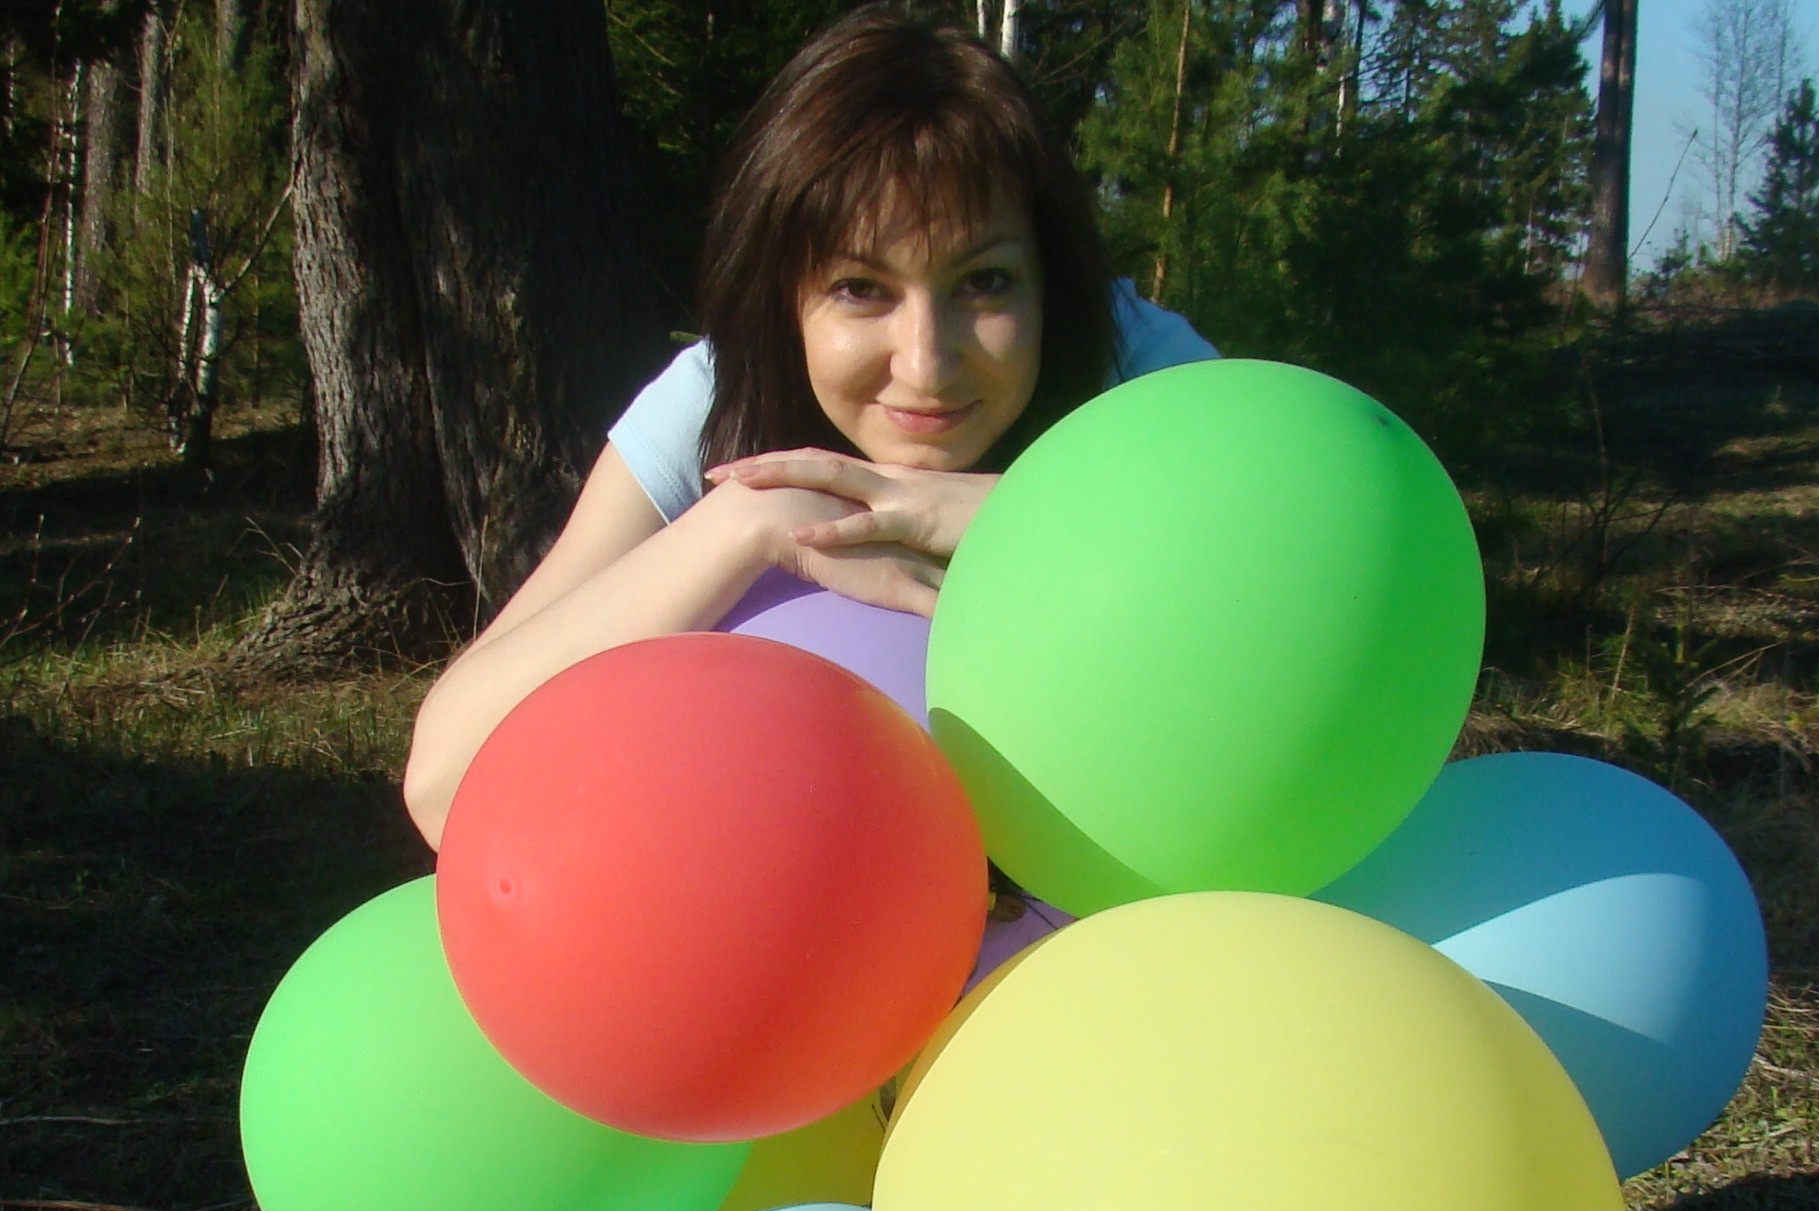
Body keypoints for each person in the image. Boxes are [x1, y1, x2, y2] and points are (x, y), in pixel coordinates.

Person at [403, 6, 1216, 850]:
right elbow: (444, 783)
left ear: (1049, 277)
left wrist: (1031, 514)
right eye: (861, 288)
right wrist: (748, 524)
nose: (926, 364)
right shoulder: (718, 396)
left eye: (985, 282)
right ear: (782, 292)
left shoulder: (1136, 367)